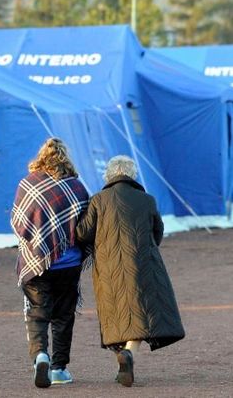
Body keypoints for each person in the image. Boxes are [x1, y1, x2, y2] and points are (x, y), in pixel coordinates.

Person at [76, 155, 185, 387]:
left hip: (108, 267)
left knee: (116, 311)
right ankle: (128, 355)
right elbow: (157, 234)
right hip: (142, 263)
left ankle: (124, 359)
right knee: (140, 312)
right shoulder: (147, 200)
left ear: (109, 175)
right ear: (131, 175)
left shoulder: (98, 200)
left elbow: (82, 233)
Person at [10, 138, 90, 388]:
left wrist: (36, 245)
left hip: (36, 262)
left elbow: (18, 222)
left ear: (41, 156)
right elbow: (85, 226)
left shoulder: (27, 184)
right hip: (69, 264)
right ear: (66, 158)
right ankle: (59, 369)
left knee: (37, 312)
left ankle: (39, 356)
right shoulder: (76, 187)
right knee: (64, 315)